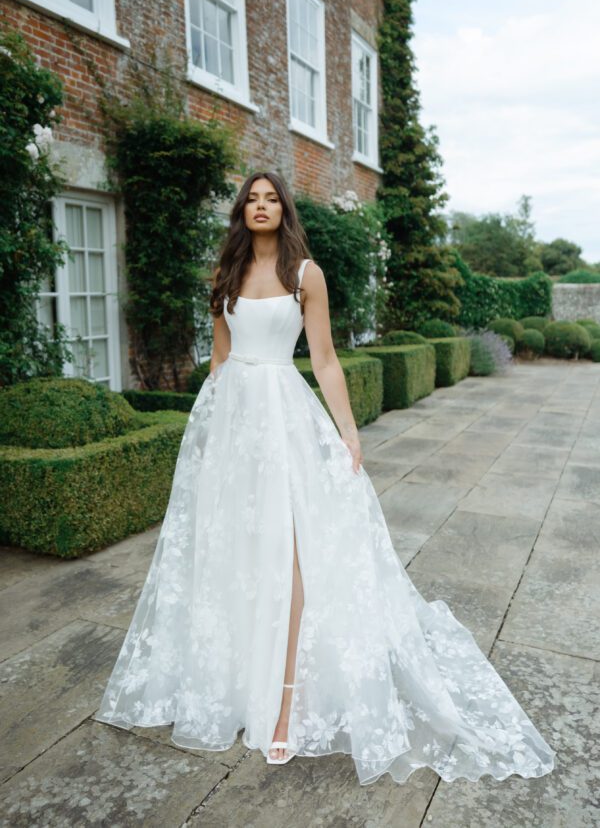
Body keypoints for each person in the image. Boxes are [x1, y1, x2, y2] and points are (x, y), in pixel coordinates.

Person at [95, 170, 555, 785]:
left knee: (292, 557)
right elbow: (219, 358)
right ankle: (233, 684)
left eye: (271, 199)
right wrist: (206, 433)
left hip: (284, 417)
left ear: (284, 210)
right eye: (251, 199)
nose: (261, 207)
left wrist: (348, 429)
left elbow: (326, 358)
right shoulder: (225, 275)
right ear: (243, 212)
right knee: (233, 551)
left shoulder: (306, 275)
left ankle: (285, 706)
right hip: (232, 425)